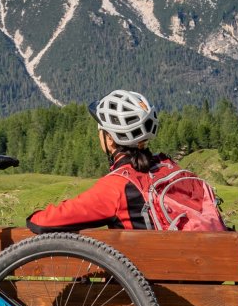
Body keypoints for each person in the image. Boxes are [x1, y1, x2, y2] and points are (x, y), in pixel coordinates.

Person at [26, 89, 175, 233]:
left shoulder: (117, 186)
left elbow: (42, 222)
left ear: (110, 138)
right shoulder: (169, 166)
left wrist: (32, 216)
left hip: (144, 259)